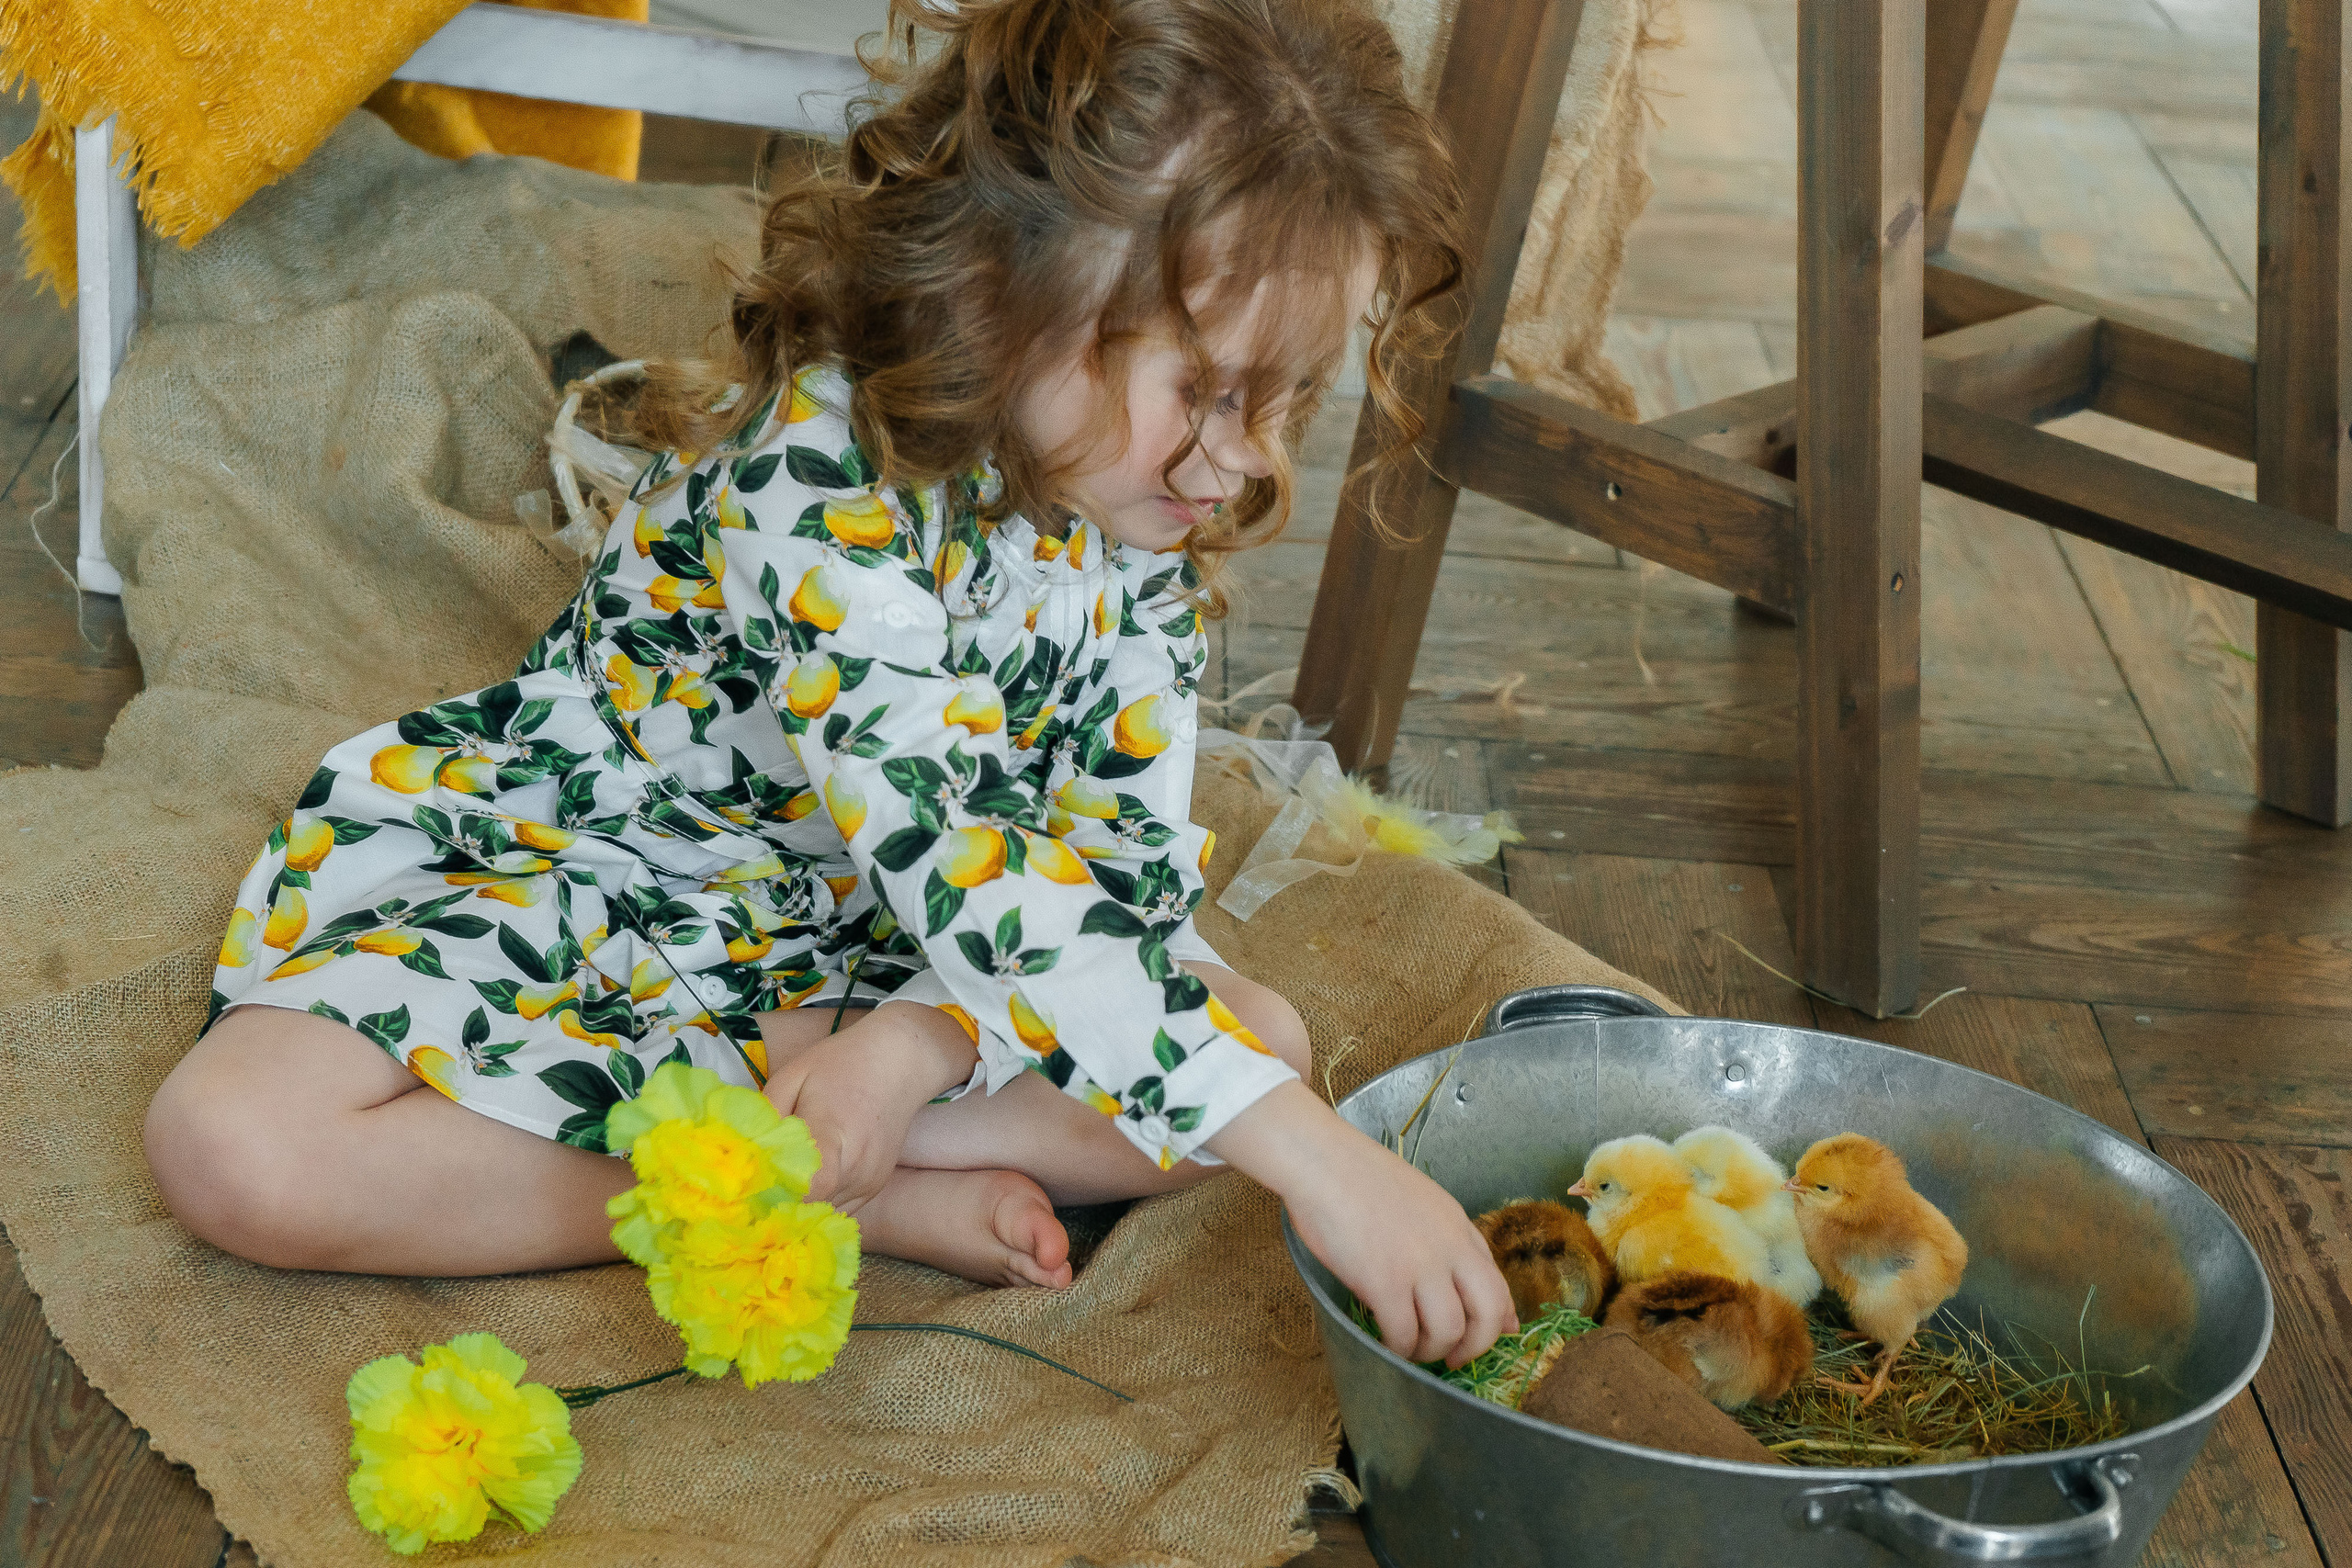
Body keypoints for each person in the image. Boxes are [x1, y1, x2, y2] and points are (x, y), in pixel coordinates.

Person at [145, 0, 1515, 1370]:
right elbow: (967, 859)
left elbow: (1114, 881)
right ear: (997, 291)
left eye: (1286, 402)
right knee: (230, 1147)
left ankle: (830, 1134)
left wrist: (912, 1047)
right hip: (606, 873)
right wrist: (1325, 1163)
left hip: (869, 959)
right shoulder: (816, 473)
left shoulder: (1139, 534)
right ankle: (837, 1198)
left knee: (1255, 1039)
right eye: (1209, 392)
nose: (1247, 459)